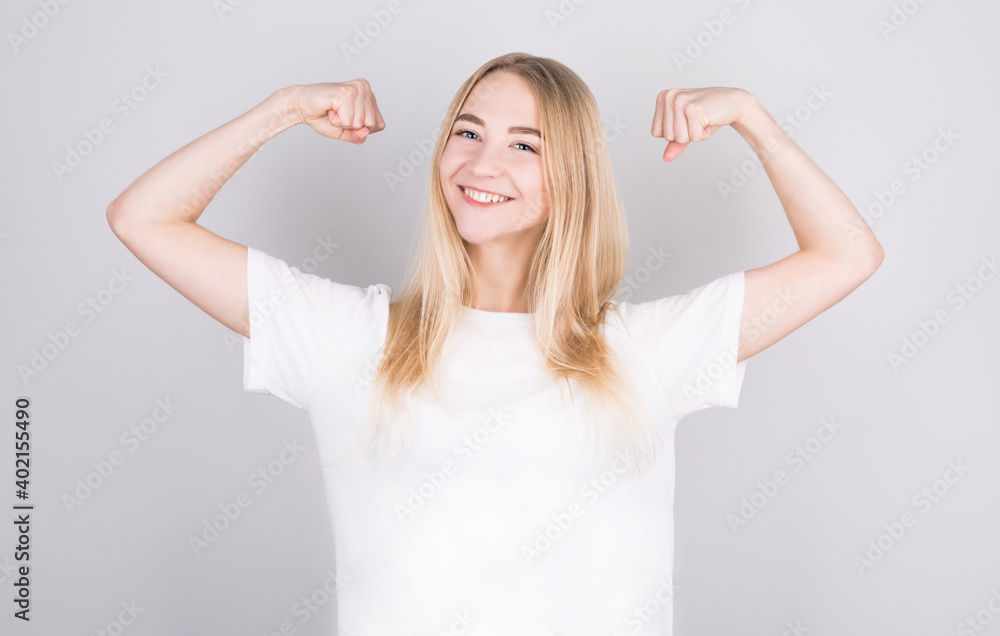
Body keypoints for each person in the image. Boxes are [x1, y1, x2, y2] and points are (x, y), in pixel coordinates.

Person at [107, 52, 882, 635]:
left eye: (524, 145)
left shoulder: (645, 351)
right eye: (468, 132)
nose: (482, 163)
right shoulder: (350, 339)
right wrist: (280, 109)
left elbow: (847, 255)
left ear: (571, 177)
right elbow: (143, 218)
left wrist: (751, 117)